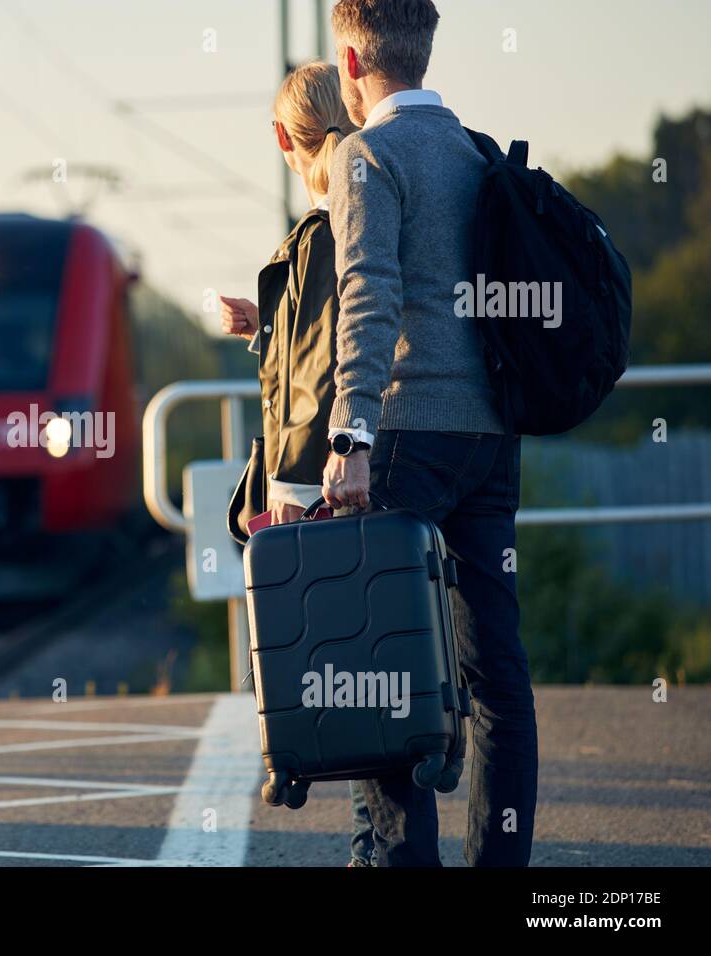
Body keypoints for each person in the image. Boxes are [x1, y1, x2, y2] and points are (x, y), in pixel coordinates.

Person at [320, 0, 536, 866]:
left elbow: (369, 298)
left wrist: (350, 437)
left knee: (385, 672)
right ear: (425, 48)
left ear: (350, 59)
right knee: (497, 680)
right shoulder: (475, 152)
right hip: (491, 438)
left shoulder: (365, 154)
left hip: (406, 434)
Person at [219, 61, 377, 866]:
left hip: (323, 477)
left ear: (284, 139)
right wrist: (262, 331)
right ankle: (376, 844)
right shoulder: (364, 213)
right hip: (371, 457)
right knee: (372, 656)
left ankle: (374, 849)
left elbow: (319, 379)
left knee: (348, 662)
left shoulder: (322, 233)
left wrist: (286, 491)